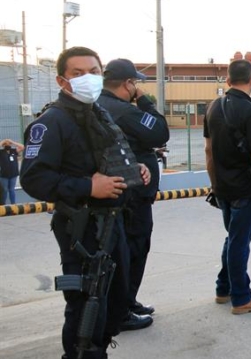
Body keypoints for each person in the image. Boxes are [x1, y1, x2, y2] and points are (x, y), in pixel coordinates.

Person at [20, 46, 151, 358]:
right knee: (86, 308)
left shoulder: (97, 114)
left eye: (93, 72)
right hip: (80, 228)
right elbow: (33, 179)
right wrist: (88, 187)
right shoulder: (51, 121)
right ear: (62, 81)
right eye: (77, 74)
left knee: (114, 301)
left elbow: (108, 158)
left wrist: (135, 171)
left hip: (111, 223)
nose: (87, 79)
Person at [204, 59, 251, 315]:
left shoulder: (213, 107)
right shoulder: (250, 111)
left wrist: (215, 184)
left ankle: (223, 288)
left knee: (233, 238)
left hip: (223, 188)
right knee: (239, 242)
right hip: (246, 189)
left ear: (227, 81)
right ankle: (241, 298)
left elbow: (208, 151)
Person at [98, 58, 170, 330]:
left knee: (123, 250)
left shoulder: (101, 106)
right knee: (134, 249)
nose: (136, 87)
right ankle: (122, 308)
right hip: (133, 195)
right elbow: (160, 132)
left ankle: (126, 301)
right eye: (135, 83)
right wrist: (145, 101)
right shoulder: (124, 111)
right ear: (128, 84)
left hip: (120, 193)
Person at [0, 139, 23, 204]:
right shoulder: (1, 152)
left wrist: (12, 142)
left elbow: (22, 147)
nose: (8, 145)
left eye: (9, 144)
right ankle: (2, 205)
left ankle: (13, 204)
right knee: (4, 190)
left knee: (12, 190)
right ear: (3, 145)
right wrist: (3, 142)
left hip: (13, 174)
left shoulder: (14, 151)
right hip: (4, 175)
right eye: (6, 144)